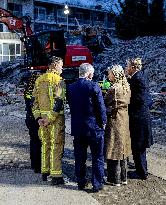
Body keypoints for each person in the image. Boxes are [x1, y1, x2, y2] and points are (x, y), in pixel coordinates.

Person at [67, 63, 107, 192]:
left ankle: (81, 182)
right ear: (89, 73)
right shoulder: (94, 86)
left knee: (79, 157)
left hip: (78, 127)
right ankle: (97, 183)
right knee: (97, 157)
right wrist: (103, 122)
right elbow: (101, 107)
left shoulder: (71, 87)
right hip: (94, 127)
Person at [32, 56, 65, 185]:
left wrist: (39, 118)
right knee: (56, 146)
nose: (62, 68)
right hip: (55, 121)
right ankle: (56, 176)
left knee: (45, 144)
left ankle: (45, 171)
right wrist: (50, 119)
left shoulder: (39, 80)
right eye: (61, 65)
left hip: (42, 121)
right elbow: (59, 102)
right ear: (54, 65)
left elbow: (33, 102)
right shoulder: (60, 80)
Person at [126, 57, 153, 180]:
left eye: (127, 66)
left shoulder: (137, 79)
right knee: (138, 146)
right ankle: (141, 168)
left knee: (138, 146)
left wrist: (128, 103)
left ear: (132, 67)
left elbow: (140, 99)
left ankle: (141, 172)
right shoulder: (137, 77)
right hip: (140, 116)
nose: (126, 68)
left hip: (139, 118)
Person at [104, 65, 131, 186]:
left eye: (109, 73)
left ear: (115, 75)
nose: (108, 75)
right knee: (123, 148)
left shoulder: (114, 88)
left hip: (114, 120)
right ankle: (124, 177)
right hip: (124, 119)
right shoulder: (126, 87)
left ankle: (114, 179)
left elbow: (105, 102)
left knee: (113, 148)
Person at [24, 71, 42, 173]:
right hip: (36, 118)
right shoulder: (37, 90)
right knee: (39, 142)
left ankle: (34, 164)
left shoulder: (27, 90)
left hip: (29, 118)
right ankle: (39, 166)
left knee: (33, 141)